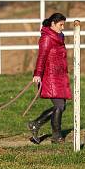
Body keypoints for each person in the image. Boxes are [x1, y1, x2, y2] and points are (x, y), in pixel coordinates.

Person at [27, 12, 71, 144]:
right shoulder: (47, 38)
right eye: (60, 24)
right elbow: (42, 56)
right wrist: (37, 74)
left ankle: (37, 124)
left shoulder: (59, 37)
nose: (62, 27)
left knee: (61, 106)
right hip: (50, 77)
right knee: (59, 105)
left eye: (63, 25)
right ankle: (56, 136)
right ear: (53, 23)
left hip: (59, 76)